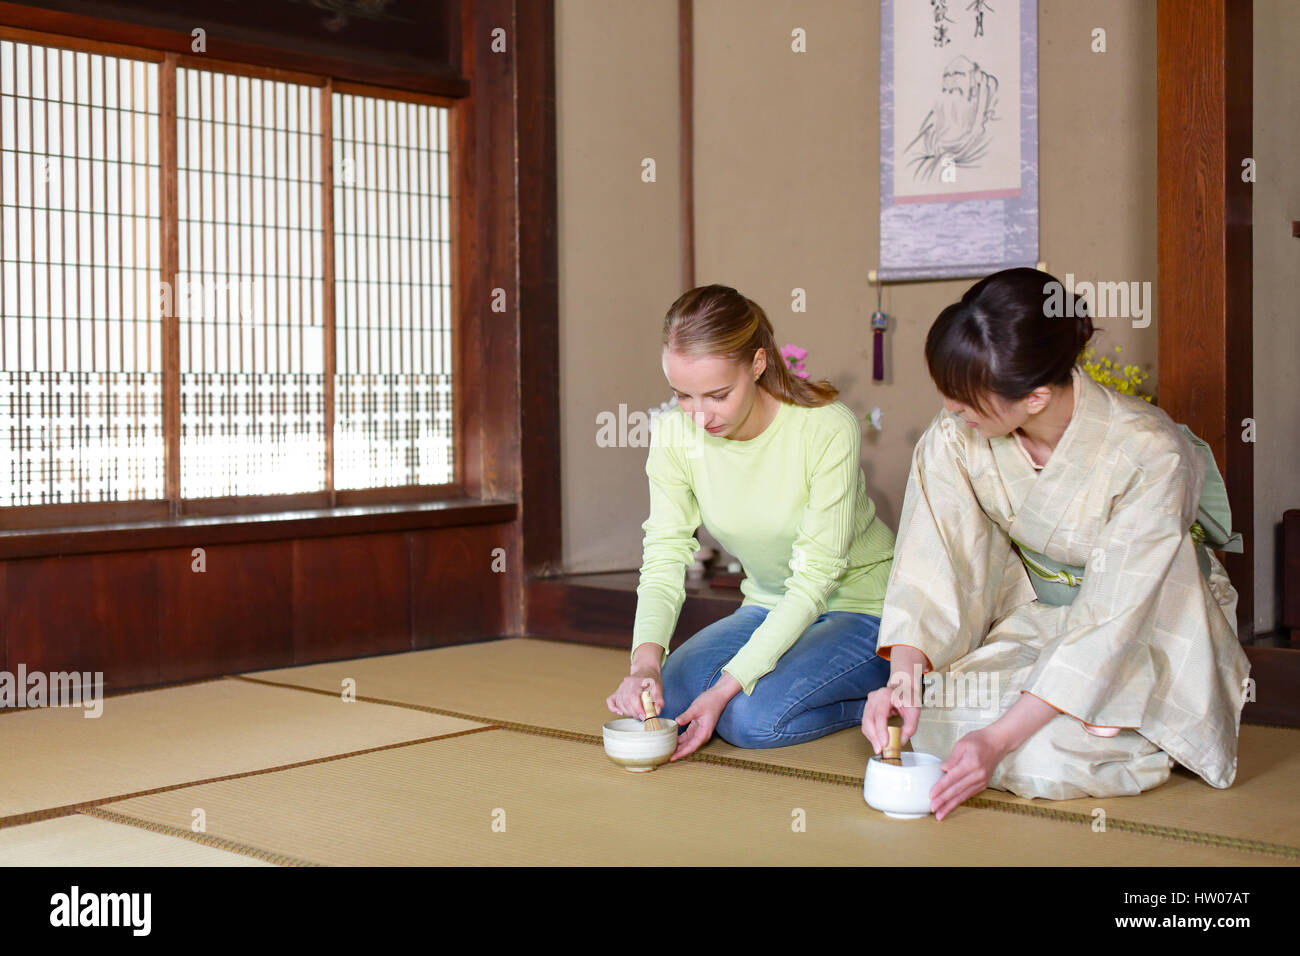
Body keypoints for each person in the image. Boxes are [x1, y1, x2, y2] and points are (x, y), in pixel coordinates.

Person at [861, 268, 1250, 820]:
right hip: (1040, 614)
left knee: (1038, 751)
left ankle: (1146, 731)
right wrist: (905, 678)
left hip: (1148, 623)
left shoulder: (1150, 451)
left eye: (966, 398)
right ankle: (1025, 726)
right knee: (935, 718)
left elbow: (1114, 614)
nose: (951, 410)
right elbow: (934, 559)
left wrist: (998, 739)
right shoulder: (956, 435)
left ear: (1037, 395)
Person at [606, 284, 895, 760]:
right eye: (682, 395)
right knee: (669, 702)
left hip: (862, 607)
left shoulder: (825, 427)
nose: (699, 416)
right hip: (767, 605)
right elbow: (664, 556)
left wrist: (724, 690)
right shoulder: (674, 436)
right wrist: (644, 663)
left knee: (748, 719)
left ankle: (879, 690)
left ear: (757, 364)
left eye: (718, 395)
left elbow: (816, 579)